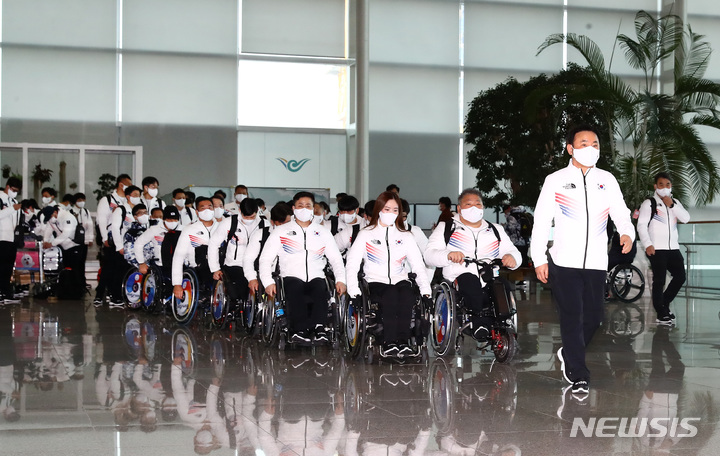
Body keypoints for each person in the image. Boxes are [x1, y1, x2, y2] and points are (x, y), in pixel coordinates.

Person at [531, 123, 635, 397]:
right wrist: (538, 257)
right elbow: (542, 221)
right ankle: (578, 373)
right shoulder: (555, 180)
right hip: (564, 261)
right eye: (584, 143)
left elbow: (621, 213)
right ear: (570, 148)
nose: (590, 148)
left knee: (595, 316)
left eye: (595, 144)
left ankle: (569, 351)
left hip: (596, 262)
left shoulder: (607, 179)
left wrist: (627, 232)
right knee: (572, 316)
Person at [425, 189, 521, 340]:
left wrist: (512, 258)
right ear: (459, 208)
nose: (474, 208)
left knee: (502, 284)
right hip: (459, 278)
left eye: (478, 204)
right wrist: (448, 255)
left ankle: (504, 325)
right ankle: (479, 323)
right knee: (469, 280)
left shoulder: (495, 229)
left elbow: (512, 251)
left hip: (488, 276)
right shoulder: (447, 228)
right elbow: (429, 255)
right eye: (468, 204)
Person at [345, 191, 432, 357]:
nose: (391, 213)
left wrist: (426, 291)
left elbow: (417, 265)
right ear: (379, 210)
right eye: (387, 209)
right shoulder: (366, 234)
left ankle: (403, 341)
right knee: (391, 294)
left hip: (400, 278)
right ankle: (389, 341)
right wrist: (353, 290)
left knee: (407, 295)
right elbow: (353, 263)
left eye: (395, 210)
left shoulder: (405, 236)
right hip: (375, 280)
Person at [259, 191, 346, 345]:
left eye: (308, 206)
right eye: (301, 205)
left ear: (313, 209)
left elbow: (336, 259)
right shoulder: (281, 231)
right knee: (295, 288)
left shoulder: (323, 233)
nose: (304, 209)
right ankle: (299, 330)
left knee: (320, 288)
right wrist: (267, 282)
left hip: (316, 275)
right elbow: (266, 259)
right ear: (293, 208)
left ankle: (320, 328)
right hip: (291, 275)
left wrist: (341, 280)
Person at [637, 172, 690, 325]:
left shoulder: (675, 202)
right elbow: (641, 225)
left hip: (673, 248)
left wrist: (672, 205)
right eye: (661, 185)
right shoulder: (649, 203)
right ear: (656, 186)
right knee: (659, 280)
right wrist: (647, 244)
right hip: (656, 249)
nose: (665, 188)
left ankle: (663, 304)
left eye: (668, 185)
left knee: (680, 277)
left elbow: (686, 219)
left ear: (671, 186)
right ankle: (661, 313)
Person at [207, 198, 267, 308]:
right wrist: (215, 268)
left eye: (252, 217)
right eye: (246, 217)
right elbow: (213, 244)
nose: (249, 220)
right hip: (234, 264)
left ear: (257, 212)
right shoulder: (230, 222)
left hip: (255, 265)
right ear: (239, 210)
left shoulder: (264, 224)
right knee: (241, 286)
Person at [95, 173, 132, 306]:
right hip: (111, 238)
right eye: (129, 184)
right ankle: (99, 294)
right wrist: (105, 237)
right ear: (121, 185)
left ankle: (115, 293)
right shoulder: (108, 199)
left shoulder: (128, 201)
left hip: (125, 240)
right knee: (108, 268)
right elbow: (101, 220)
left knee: (120, 268)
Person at [172, 197, 219, 301]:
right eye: (203, 208)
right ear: (197, 212)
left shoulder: (221, 227)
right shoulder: (189, 230)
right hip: (199, 267)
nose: (207, 210)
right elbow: (178, 257)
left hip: (219, 265)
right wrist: (177, 284)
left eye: (210, 207)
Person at [245, 203, 293, 296]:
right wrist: (251, 278)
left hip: (289, 276)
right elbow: (248, 258)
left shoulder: (296, 234)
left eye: (288, 223)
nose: (285, 227)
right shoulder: (260, 234)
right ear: (272, 222)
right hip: (266, 274)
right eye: (281, 224)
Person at [107, 185, 143, 307]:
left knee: (131, 272)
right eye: (135, 195)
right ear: (128, 196)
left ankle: (131, 297)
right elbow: (115, 229)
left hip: (136, 247)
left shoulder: (140, 211)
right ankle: (115, 297)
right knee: (119, 272)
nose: (138, 198)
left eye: (139, 195)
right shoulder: (121, 210)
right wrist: (119, 246)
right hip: (123, 247)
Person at [0, 177, 22, 303]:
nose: (15, 193)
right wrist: (12, 209)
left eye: (17, 191)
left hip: (11, 239)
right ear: (7, 187)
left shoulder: (13, 201)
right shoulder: (1, 198)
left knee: (8, 268)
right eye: (13, 190)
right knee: (1, 266)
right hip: (1, 237)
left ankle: (6, 292)